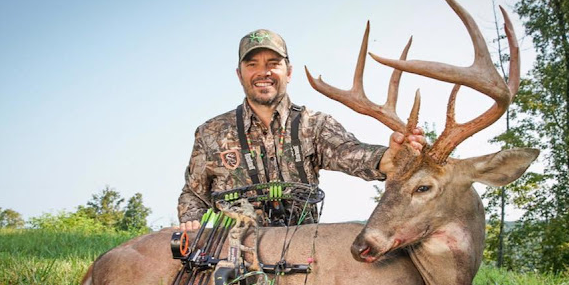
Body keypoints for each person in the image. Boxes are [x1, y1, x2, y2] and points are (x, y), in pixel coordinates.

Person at [178, 29, 424, 231]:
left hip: (299, 255)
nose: (264, 72)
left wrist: (388, 159)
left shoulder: (313, 125)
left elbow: (351, 153)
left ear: (289, 72)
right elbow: (194, 194)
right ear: (240, 75)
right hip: (233, 259)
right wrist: (191, 219)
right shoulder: (210, 133)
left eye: (273, 63)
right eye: (252, 64)